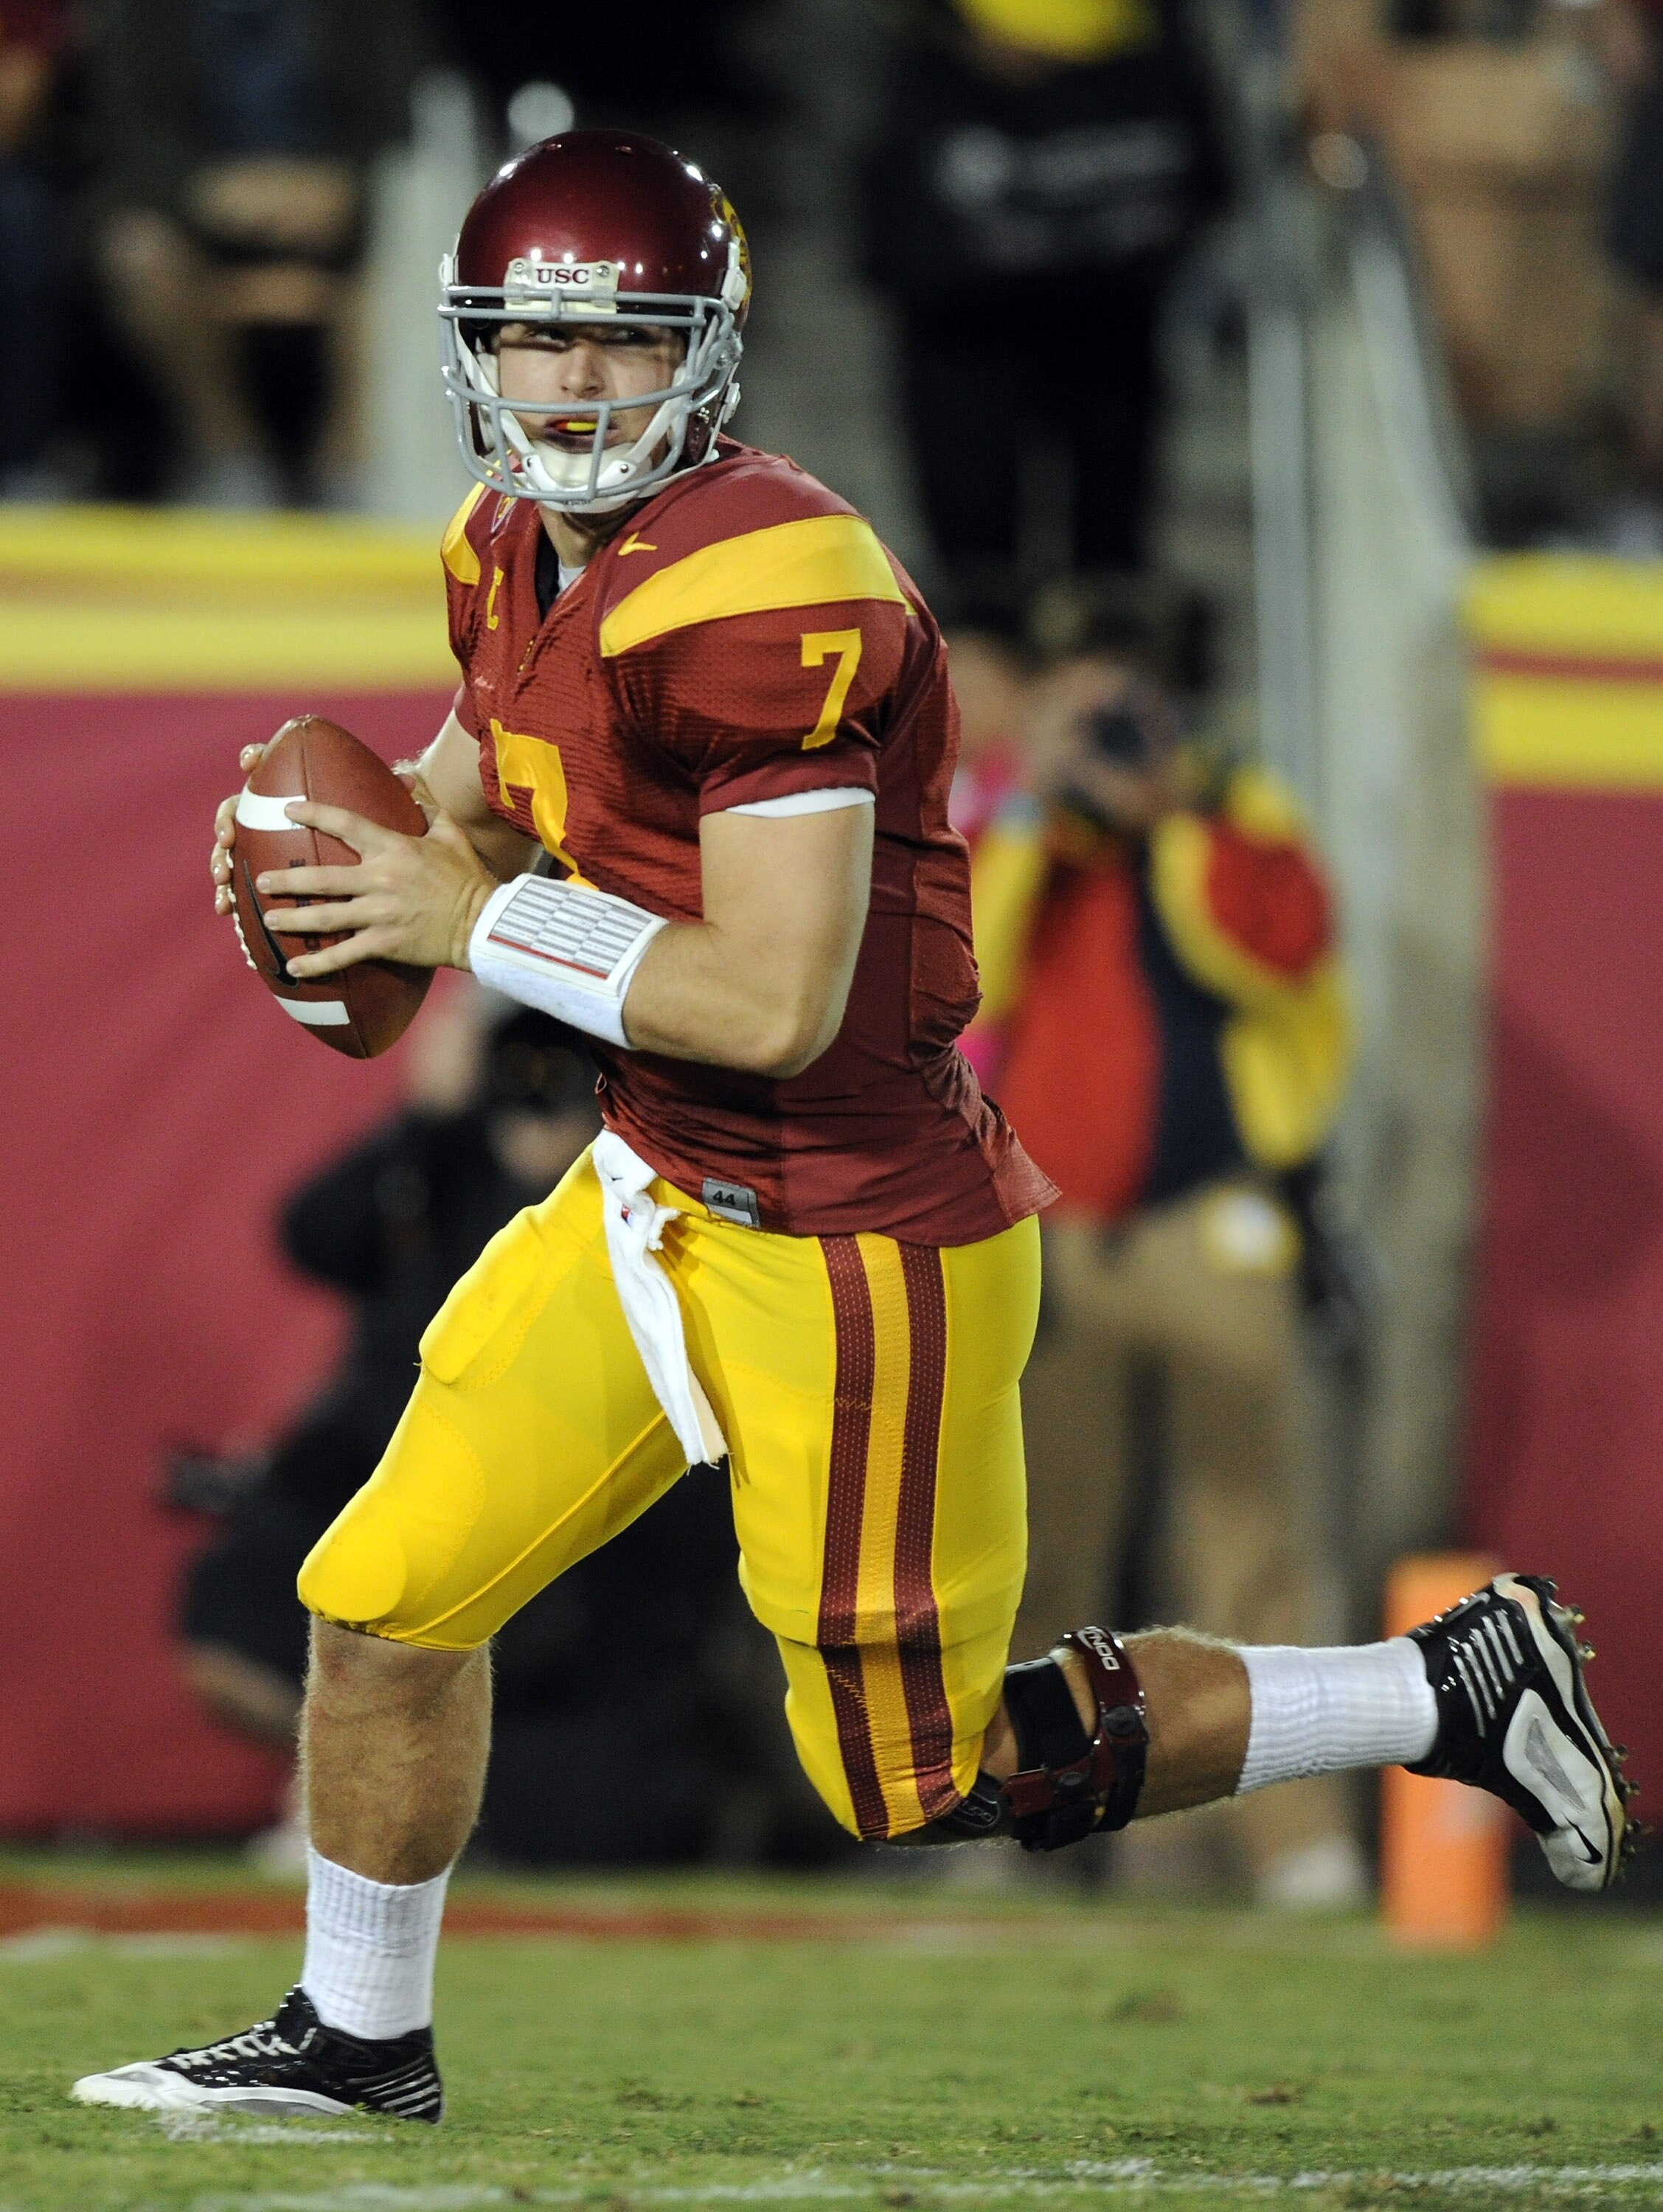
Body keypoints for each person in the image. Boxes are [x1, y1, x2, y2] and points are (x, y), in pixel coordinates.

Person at [72, 129, 1631, 2126]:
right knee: (375, 1605)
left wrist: (463, 923)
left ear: (697, 353)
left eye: (609, 342)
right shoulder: (499, 548)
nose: (562, 386)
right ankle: (357, 2037)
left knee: (924, 1779)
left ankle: (1442, 1684)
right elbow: (465, 795)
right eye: (525, 340)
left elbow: (773, 997)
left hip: (850, 1230)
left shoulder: (773, 584)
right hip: (650, 1189)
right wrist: (326, 848)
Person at [971, 649, 1361, 1904]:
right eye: (1080, 721)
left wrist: (1177, 810)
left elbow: (1283, 946)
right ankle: (1013, 1832)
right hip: (1054, 1238)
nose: (1106, 746)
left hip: (1213, 1225)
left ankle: (1297, 1848)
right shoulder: (1021, 837)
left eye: (1123, 721)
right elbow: (969, 975)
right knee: (1038, 1551)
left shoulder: (1236, 820)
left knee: (1249, 1548)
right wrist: (1040, 805)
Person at [861, 0, 1226, 612]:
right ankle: (985, 648)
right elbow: (891, 241)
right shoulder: (932, 90)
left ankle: (1098, 646)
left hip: (1109, 327)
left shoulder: (1147, 74)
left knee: (1110, 561)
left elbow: (1206, 188)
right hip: (967, 334)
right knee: (976, 565)